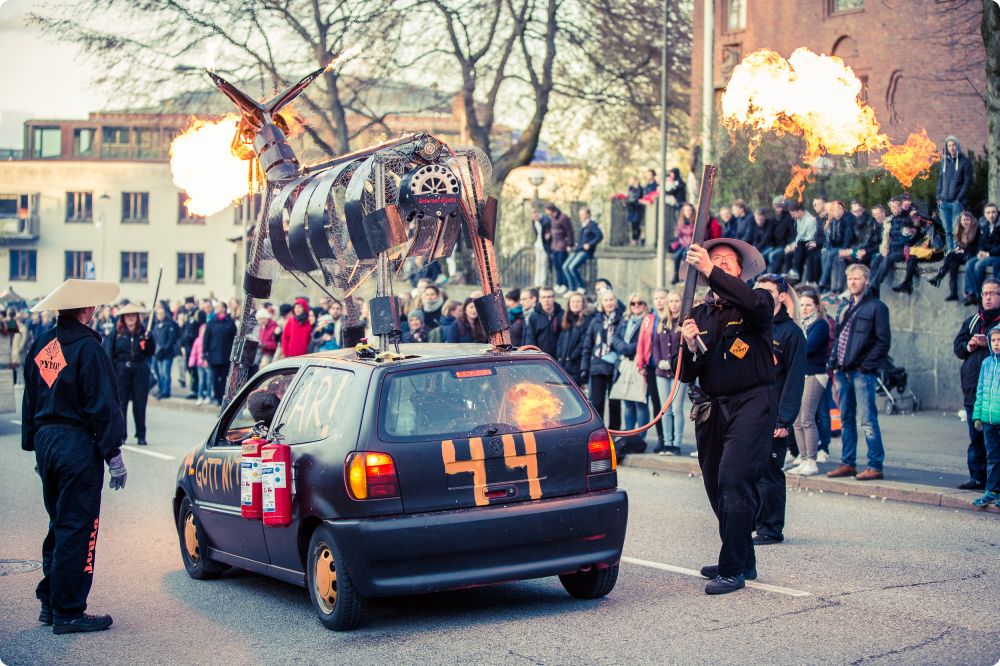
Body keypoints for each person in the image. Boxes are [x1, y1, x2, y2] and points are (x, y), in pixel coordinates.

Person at [22, 278, 126, 634]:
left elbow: (30, 397)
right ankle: (68, 610)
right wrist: (113, 454)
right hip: (76, 444)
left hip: (47, 441)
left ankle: (51, 603)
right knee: (78, 526)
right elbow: (103, 403)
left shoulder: (42, 343)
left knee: (59, 522)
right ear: (86, 309)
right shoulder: (87, 347)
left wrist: (34, 444)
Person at [678, 238, 774, 594]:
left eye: (726, 261)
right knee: (716, 485)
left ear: (739, 270)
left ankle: (732, 569)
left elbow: (755, 306)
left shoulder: (757, 299)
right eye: (713, 259)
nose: (719, 263)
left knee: (735, 479)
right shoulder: (698, 314)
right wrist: (690, 347)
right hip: (712, 407)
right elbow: (686, 373)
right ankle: (743, 558)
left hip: (752, 402)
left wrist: (709, 268)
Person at [752, 275, 805, 546]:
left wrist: (784, 420)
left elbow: (794, 380)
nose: (762, 296)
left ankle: (771, 528)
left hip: (774, 415)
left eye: (768, 292)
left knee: (769, 472)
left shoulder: (791, 333)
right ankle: (752, 521)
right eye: (758, 290)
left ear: (782, 296)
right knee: (748, 471)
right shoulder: (752, 325)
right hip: (749, 411)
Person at [827, 264, 890, 480]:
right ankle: (848, 463)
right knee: (846, 419)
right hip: (842, 371)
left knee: (868, 420)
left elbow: (883, 342)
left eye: (857, 278)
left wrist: (865, 366)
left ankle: (875, 465)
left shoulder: (877, 307)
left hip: (862, 373)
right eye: (850, 279)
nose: (852, 282)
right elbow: (838, 338)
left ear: (867, 281)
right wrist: (834, 364)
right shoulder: (845, 306)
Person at [953, 279, 1000, 490]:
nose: (988, 298)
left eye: (993, 293)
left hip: (995, 392)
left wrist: (988, 344)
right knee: (976, 436)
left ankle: (994, 482)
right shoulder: (972, 321)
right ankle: (977, 476)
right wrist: (969, 346)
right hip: (973, 388)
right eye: (985, 294)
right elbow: (958, 348)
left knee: (994, 440)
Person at [789, 288, 831, 477]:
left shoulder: (820, 325)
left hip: (815, 374)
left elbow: (807, 348)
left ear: (817, 306)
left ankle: (811, 461)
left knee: (807, 418)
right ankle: (804, 458)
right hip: (802, 375)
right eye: (802, 305)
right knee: (797, 421)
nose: (804, 308)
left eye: (808, 305)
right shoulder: (801, 324)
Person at [103, 304, 154, 445]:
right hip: (122, 370)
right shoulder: (116, 333)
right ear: (123, 318)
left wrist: (149, 340)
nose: (131, 318)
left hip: (139, 370)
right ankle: (122, 434)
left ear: (137, 317)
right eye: (128, 315)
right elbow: (109, 353)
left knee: (140, 404)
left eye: (133, 315)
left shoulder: (144, 332)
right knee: (121, 404)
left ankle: (141, 435)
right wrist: (112, 372)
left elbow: (150, 352)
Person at [644, 289, 687, 454]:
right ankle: (667, 442)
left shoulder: (685, 322)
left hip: (678, 373)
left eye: (677, 301)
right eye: (671, 301)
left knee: (677, 409)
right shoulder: (662, 322)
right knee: (665, 409)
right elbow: (655, 345)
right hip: (661, 373)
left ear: (682, 303)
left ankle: (676, 444)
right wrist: (659, 361)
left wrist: (672, 363)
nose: (674, 304)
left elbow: (685, 348)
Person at [582, 288, 623, 431]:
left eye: (611, 300)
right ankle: (599, 432)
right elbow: (588, 345)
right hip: (597, 365)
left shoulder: (622, 320)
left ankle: (615, 432)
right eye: (606, 300)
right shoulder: (595, 321)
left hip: (616, 366)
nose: (609, 303)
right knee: (597, 403)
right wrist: (584, 368)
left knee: (615, 403)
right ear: (601, 303)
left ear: (615, 302)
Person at [971, 324, 1000, 507]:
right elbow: (980, 391)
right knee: (993, 456)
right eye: (994, 340)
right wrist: (978, 416)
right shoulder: (986, 363)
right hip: (988, 420)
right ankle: (992, 490)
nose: (996, 343)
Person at [615, 293, 649, 432]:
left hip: (639, 364)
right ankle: (629, 434)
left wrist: (628, 349)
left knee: (640, 402)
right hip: (624, 364)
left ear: (645, 305)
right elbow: (615, 338)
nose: (636, 306)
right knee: (627, 402)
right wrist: (623, 347)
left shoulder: (648, 320)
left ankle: (640, 437)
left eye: (639, 303)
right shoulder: (625, 320)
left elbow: (646, 341)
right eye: (633, 303)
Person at [929, 210, 980, 301]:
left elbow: (977, 247)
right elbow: (961, 245)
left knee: (951, 255)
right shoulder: (961, 230)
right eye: (963, 220)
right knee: (952, 264)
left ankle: (939, 277)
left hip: (972, 255)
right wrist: (958, 249)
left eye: (967, 220)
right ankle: (953, 293)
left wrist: (963, 250)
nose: (965, 222)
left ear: (971, 220)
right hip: (962, 255)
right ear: (960, 221)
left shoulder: (976, 230)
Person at [936, 135, 973, 250]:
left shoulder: (965, 162)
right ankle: (950, 253)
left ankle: (957, 252)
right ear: (947, 147)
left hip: (957, 203)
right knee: (947, 231)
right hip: (944, 203)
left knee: (956, 230)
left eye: (953, 145)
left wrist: (959, 199)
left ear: (958, 146)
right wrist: (938, 197)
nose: (952, 148)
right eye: (949, 145)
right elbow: (940, 180)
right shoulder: (944, 162)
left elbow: (968, 182)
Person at [202, 301, 237, 406]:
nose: (216, 308)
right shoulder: (211, 322)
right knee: (214, 379)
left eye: (218, 306)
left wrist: (234, 353)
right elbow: (206, 339)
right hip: (213, 356)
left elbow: (234, 339)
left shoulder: (230, 322)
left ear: (224, 309)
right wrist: (204, 353)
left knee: (223, 379)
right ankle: (217, 396)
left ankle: (220, 398)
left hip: (226, 356)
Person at [563, 207, 603, 293]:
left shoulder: (592, 225)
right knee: (565, 266)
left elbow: (599, 236)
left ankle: (581, 286)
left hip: (586, 252)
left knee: (572, 267)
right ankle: (571, 288)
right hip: (578, 249)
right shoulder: (583, 225)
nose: (581, 216)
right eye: (580, 214)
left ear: (588, 215)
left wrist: (590, 244)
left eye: (583, 214)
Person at [555, 291, 591, 386]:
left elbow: (583, 342)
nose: (575, 304)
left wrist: (572, 357)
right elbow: (560, 340)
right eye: (573, 302)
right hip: (563, 364)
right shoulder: (567, 319)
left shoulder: (587, 320)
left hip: (576, 364)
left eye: (578, 302)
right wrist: (559, 355)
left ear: (583, 304)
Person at [819, 201, 855, 293]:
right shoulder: (833, 221)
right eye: (835, 210)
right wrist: (827, 231)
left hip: (845, 247)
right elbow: (831, 240)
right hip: (835, 247)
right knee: (824, 255)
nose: (838, 212)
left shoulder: (847, 220)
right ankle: (828, 285)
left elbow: (848, 238)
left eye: (840, 209)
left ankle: (822, 283)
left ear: (843, 209)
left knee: (831, 255)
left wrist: (844, 250)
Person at [972, 203, 1000, 304]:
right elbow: (981, 242)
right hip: (987, 254)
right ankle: (975, 294)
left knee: (978, 265)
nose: (991, 215)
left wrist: (988, 253)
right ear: (985, 214)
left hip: (995, 255)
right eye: (988, 213)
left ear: (997, 213)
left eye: (993, 212)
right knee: (970, 264)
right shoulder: (985, 225)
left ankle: (983, 294)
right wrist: (980, 252)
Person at [524, 287, 564, 356]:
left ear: (554, 298)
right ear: (539, 299)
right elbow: (530, 340)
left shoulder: (562, 315)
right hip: (540, 358)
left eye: (549, 297)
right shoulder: (534, 317)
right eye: (543, 297)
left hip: (559, 357)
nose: (546, 300)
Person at [787, 200, 820, 283]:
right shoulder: (799, 219)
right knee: (788, 254)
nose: (792, 216)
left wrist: (796, 244)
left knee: (800, 247)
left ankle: (795, 271)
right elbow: (799, 235)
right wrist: (792, 245)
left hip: (813, 244)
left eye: (793, 214)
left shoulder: (810, 220)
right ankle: (791, 278)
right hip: (802, 245)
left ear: (800, 211)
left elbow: (810, 237)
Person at [150, 303, 179, 400]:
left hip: (167, 354)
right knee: (159, 373)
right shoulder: (156, 325)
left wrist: (164, 349)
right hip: (158, 353)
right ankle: (161, 389)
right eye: (158, 314)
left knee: (165, 373)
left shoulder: (169, 325)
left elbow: (171, 339)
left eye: (161, 314)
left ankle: (166, 391)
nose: (160, 315)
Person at [546, 203, 574, 294]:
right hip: (554, 246)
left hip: (562, 245)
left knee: (562, 265)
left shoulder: (563, 217)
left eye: (547, 210)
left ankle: (565, 284)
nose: (546, 213)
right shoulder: (552, 218)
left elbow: (569, 231)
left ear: (551, 210)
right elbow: (552, 229)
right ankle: (559, 283)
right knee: (557, 265)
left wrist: (570, 244)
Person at [179, 297, 203, 399]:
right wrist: (182, 345)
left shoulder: (198, 313)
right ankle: (193, 389)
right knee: (190, 368)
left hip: (195, 346)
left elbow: (200, 329)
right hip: (187, 346)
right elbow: (184, 331)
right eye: (186, 303)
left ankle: (196, 390)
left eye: (190, 303)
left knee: (194, 369)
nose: (188, 305)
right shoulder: (187, 315)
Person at [768, 196, 796, 273]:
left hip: (784, 246)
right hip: (775, 245)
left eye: (777, 207)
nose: (776, 210)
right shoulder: (777, 218)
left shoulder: (789, 217)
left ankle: (772, 275)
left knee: (774, 255)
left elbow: (793, 234)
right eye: (775, 208)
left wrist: (789, 245)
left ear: (782, 206)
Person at [670, 203, 696, 285]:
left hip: (692, 244)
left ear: (692, 211)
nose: (688, 212)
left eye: (689, 210)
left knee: (685, 254)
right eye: (686, 210)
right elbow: (680, 235)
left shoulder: (695, 221)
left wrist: (690, 243)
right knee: (676, 256)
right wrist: (683, 243)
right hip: (683, 243)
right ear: (683, 212)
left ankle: (685, 274)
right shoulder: (681, 222)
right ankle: (676, 275)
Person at [188, 323, 212, 406]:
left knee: (208, 381)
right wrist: (191, 362)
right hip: (199, 364)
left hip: (208, 363)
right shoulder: (197, 340)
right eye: (202, 330)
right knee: (201, 381)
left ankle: (208, 396)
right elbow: (193, 352)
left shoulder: (210, 340)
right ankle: (200, 396)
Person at [531, 209, 552, 285]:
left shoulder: (545, 220)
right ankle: (537, 283)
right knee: (538, 264)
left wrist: (548, 236)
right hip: (537, 245)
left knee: (543, 264)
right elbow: (536, 233)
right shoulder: (533, 221)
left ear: (538, 214)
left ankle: (543, 282)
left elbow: (549, 231)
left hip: (544, 246)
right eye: (533, 217)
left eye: (535, 216)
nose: (534, 219)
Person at [624, 176, 645, 246]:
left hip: (638, 208)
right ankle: (634, 239)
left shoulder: (640, 188)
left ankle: (636, 239)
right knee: (633, 225)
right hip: (632, 208)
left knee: (637, 224)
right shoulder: (630, 188)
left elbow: (638, 197)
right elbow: (629, 196)